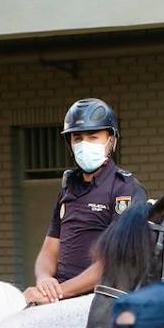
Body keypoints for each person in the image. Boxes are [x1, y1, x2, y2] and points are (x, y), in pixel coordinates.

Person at [26, 98, 147, 305]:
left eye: (93, 137)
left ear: (112, 141)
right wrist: (44, 279)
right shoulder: (68, 188)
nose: (84, 144)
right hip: (61, 299)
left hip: (101, 302)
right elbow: (49, 249)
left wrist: (58, 292)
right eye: (77, 138)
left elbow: (115, 262)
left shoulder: (126, 189)